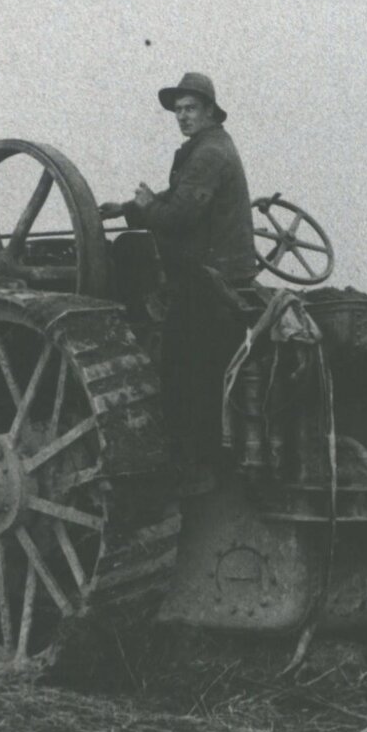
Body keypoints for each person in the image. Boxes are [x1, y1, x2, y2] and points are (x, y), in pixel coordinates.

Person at [98, 71, 259, 497]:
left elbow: (179, 216)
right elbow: (177, 199)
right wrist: (128, 209)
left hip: (210, 281)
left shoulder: (209, 155)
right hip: (216, 271)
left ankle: (188, 469)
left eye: (190, 109)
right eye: (178, 110)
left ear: (209, 111)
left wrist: (148, 208)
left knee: (178, 368)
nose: (182, 117)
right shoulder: (208, 148)